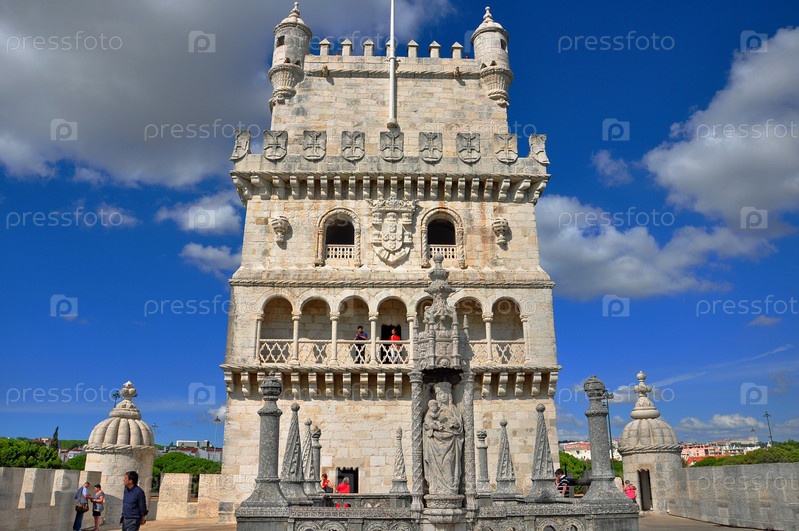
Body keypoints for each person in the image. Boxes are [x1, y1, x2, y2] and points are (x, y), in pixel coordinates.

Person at [422, 382, 464, 495]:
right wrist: (431, 426)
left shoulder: (453, 409)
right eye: (440, 394)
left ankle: (451, 488)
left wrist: (454, 424)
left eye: (445, 393)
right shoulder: (433, 410)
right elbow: (427, 423)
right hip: (435, 442)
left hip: (451, 441)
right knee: (435, 465)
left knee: (448, 462)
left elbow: (459, 426)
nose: (443, 396)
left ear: (449, 395)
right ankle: (435, 488)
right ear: (437, 396)